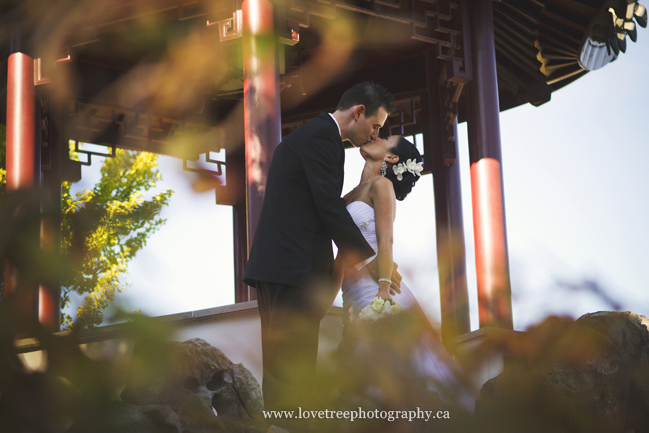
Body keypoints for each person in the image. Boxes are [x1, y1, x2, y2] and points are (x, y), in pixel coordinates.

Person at [243, 82, 401, 433]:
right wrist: (370, 260)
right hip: (293, 271)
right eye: (375, 126)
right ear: (358, 112)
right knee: (291, 374)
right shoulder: (322, 138)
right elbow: (328, 205)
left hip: (282, 268)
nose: (375, 134)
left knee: (283, 373)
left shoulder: (313, 136)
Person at [335, 135, 475, 421]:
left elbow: (386, 242)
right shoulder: (348, 195)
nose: (376, 135)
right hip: (350, 293)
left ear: (392, 158)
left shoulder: (381, 186)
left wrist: (384, 290)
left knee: (394, 372)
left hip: (378, 293)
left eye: (385, 137)